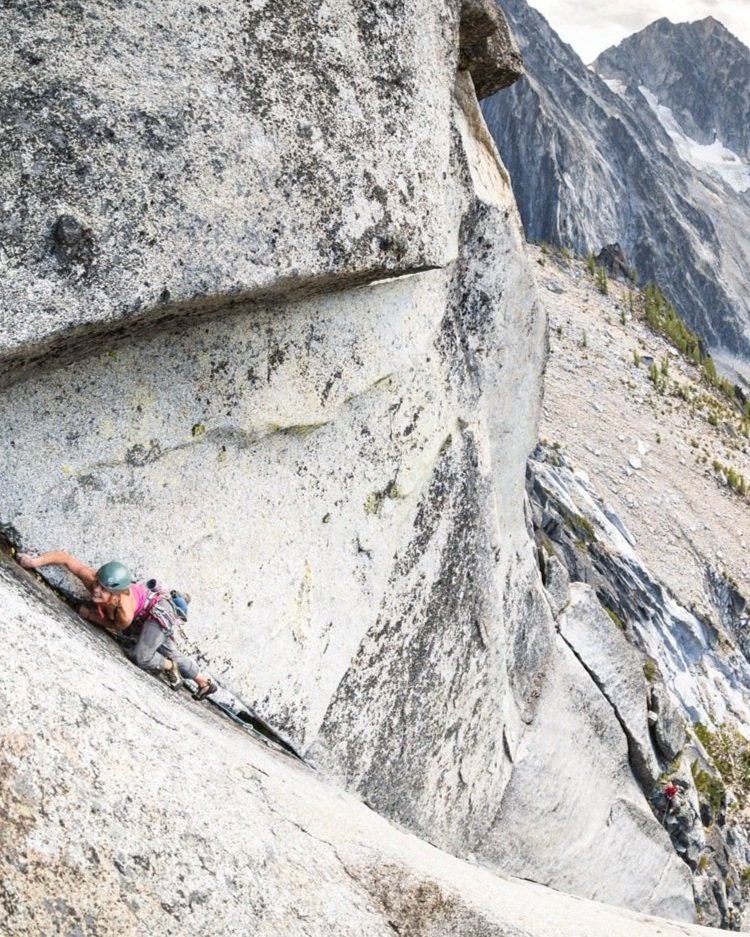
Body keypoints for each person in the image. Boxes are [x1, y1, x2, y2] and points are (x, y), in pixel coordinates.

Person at [17, 550, 217, 699]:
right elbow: (66, 558)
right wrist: (34, 562)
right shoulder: (96, 583)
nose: (96, 590)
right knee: (165, 648)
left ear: (118, 595)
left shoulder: (124, 611)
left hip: (158, 613)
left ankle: (168, 665)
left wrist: (90, 615)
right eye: (97, 584)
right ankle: (203, 681)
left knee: (143, 656)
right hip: (148, 613)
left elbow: (116, 625)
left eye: (104, 590)